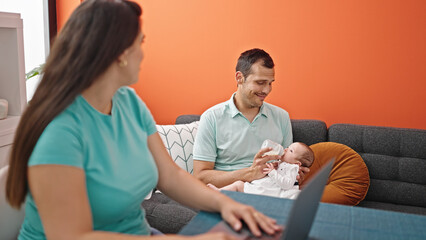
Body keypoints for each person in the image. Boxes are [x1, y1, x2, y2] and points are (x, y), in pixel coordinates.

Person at [5, 1, 281, 239]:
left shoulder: (128, 103)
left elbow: (170, 176)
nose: (143, 53)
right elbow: (74, 237)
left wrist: (225, 204)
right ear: (120, 54)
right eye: (141, 43)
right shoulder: (60, 131)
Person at [193, 48, 310, 188]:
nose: (266, 90)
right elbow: (200, 177)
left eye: (270, 83)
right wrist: (249, 173)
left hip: (269, 191)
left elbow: (283, 167)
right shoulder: (211, 117)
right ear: (239, 78)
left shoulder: (281, 117)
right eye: (260, 83)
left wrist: (294, 176)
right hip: (228, 194)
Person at [208, 142, 315, 199]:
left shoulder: (293, 168)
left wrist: (272, 172)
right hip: (263, 187)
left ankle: (218, 194)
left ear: (297, 164)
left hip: (267, 191)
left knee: (238, 185)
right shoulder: (281, 162)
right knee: (238, 184)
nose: (285, 149)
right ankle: (218, 192)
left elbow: (287, 184)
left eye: (291, 150)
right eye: (288, 147)